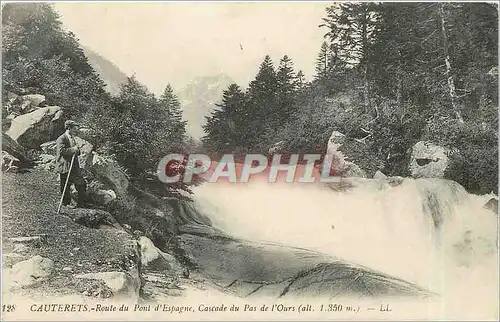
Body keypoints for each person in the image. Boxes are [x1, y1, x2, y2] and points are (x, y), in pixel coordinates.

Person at [56, 120, 87, 208]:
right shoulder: (61, 138)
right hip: (65, 165)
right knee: (65, 185)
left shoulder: (72, 138)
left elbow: (76, 151)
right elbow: (61, 151)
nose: (76, 130)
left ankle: (81, 203)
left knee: (81, 184)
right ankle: (66, 203)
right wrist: (73, 149)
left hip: (74, 166)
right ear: (69, 128)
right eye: (74, 128)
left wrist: (77, 150)